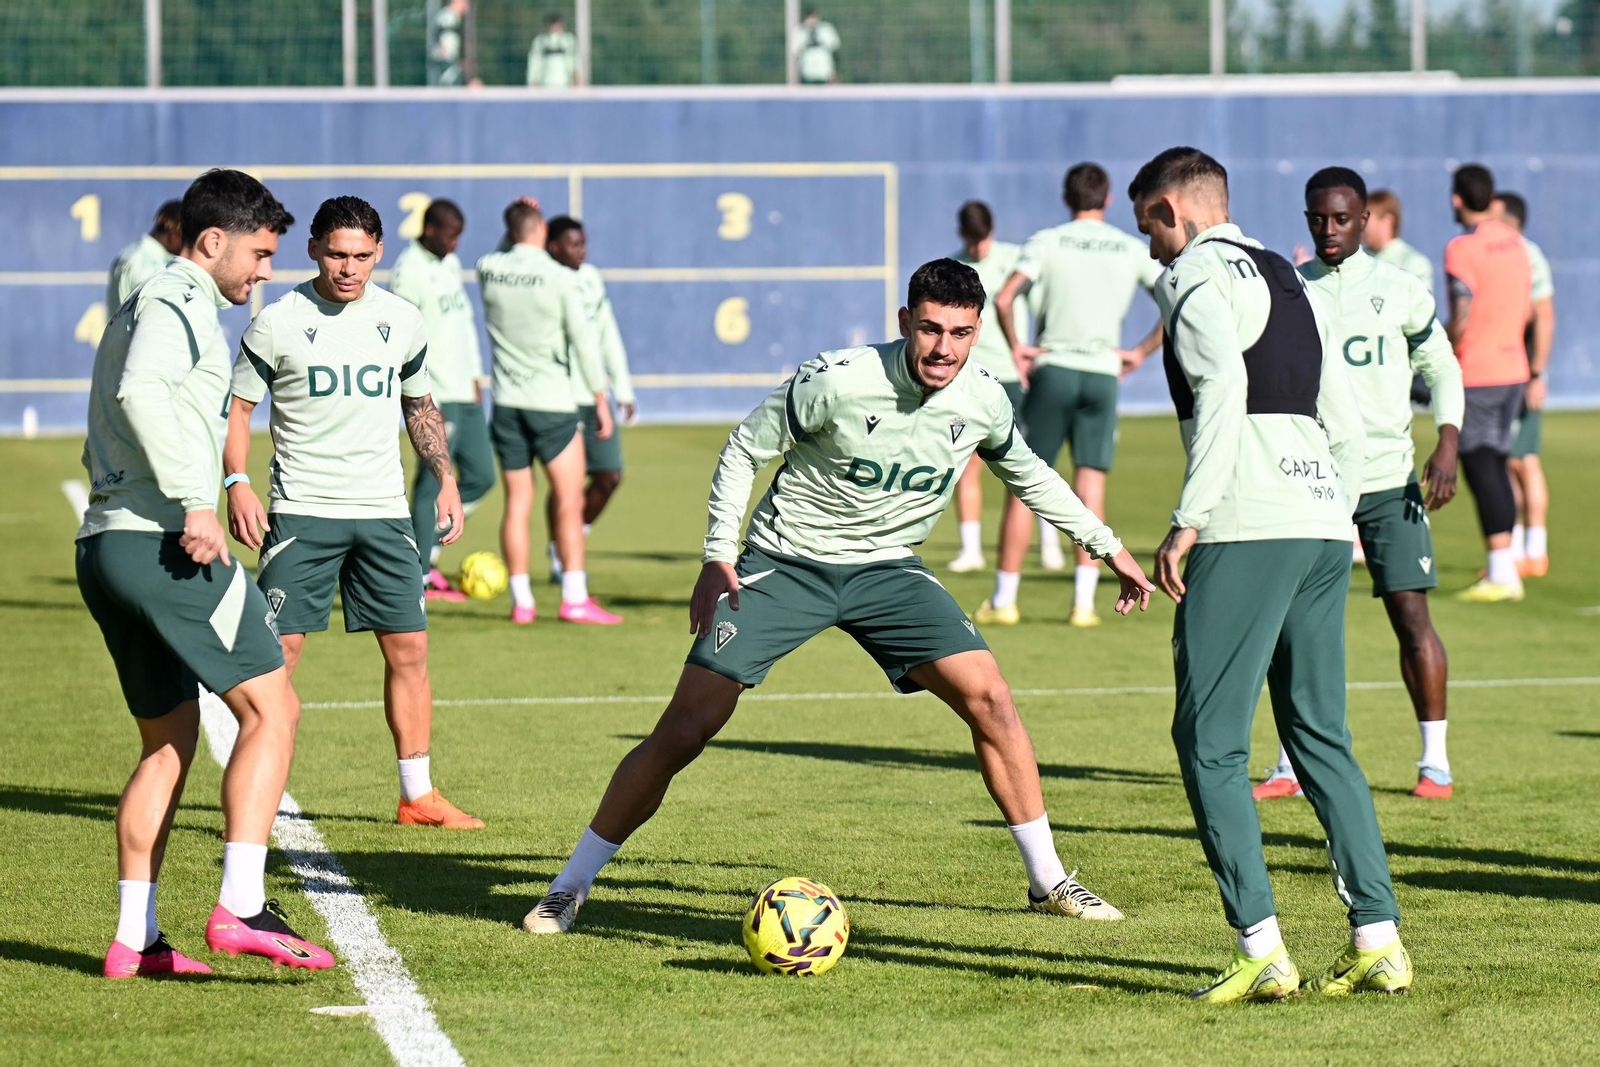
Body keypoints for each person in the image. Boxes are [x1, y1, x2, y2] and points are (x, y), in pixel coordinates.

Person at [521, 258, 1156, 937]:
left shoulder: (983, 397)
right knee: (684, 729)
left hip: (887, 570)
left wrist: (1107, 546)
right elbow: (744, 449)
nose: (945, 348)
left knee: (992, 698)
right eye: (932, 329)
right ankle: (570, 885)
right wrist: (717, 555)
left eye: (962, 333)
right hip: (785, 561)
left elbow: (1029, 473)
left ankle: (1049, 879)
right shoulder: (837, 380)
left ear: (977, 334)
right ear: (906, 321)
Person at [1132, 147, 1409, 1001]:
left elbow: (1219, 394)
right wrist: (1340, 508)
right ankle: (1379, 940)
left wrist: (1189, 520)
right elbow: (1340, 411)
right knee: (1322, 737)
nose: (1150, 248)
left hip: (1246, 526)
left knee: (1209, 742)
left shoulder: (1195, 279)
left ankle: (1261, 946)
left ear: (1177, 211)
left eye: (1151, 226)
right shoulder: (1289, 277)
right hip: (1322, 520)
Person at [77, 168, 334, 977]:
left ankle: (135, 939)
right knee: (273, 706)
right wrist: (196, 503)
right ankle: (243, 905)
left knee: (168, 743)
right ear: (212, 241)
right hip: (163, 541)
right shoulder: (179, 298)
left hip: (109, 545)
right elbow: (142, 392)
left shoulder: (153, 298)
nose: (264, 271)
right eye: (258, 254)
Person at [224, 195, 484, 832]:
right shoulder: (276, 321)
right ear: (313, 249)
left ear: (379, 254)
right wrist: (236, 481)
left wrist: (445, 479)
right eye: (337, 254)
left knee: (411, 651)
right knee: (277, 655)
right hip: (302, 513)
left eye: (362, 256)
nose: (348, 268)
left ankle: (417, 796)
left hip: (384, 514)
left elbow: (419, 407)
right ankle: (260, 789)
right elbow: (237, 411)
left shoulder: (402, 319)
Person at [1252, 167, 1464, 804]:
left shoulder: (1401, 289)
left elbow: (1443, 364)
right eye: (1317, 218)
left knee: (1411, 617)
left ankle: (1435, 762)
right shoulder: (1291, 290)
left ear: (1365, 220)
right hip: (1312, 481)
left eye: (1341, 218)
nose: (1328, 229)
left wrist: (1447, 439)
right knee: (1298, 624)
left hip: (1388, 478)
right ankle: (1291, 763)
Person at [975, 163, 1163, 629]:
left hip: (1054, 368)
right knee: (1091, 485)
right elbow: (1174, 297)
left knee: (1025, 483)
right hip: (1101, 373)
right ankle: (1082, 604)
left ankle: (1005, 599)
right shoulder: (1128, 247)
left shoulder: (1047, 241)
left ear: (1066, 197)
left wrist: (1018, 348)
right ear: (1110, 198)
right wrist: (1138, 352)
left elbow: (1003, 298)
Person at [477, 199, 619, 624]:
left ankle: (522, 602)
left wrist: (516, 222)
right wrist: (599, 398)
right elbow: (583, 341)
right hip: (553, 405)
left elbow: (508, 245)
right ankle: (574, 596)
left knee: (518, 501)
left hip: (506, 404)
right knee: (568, 501)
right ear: (541, 230)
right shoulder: (559, 277)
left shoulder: (489, 267)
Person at [390, 198, 496, 600]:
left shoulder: (449, 264)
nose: (455, 244)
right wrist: (414, 390)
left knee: (483, 475)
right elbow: (402, 336)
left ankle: (427, 546)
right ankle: (416, 575)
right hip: (432, 394)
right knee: (429, 485)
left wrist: (473, 377)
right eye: (451, 235)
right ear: (430, 229)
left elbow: (463, 328)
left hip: (463, 391)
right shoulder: (409, 271)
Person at [1444, 164, 1532, 602]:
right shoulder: (1517, 243)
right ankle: (1508, 560)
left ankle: (1502, 572)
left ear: (1457, 199)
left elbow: (1461, 315)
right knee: (1496, 464)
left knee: (1483, 468)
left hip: (1478, 372)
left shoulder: (1462, 248)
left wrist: (1436, 350)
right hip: (1514, 368)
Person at [544, 215, 636, 581]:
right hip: (560, 397)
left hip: (595, 394)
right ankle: (559, 555)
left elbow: (607, 334)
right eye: (573, 244)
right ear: (553, 247)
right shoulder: (544, 279)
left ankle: (571, 539)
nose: (581, 250)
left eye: (583, 243)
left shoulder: (590, 277)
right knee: (564, 482)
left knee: (610, 476)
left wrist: (623, 389)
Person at [947, 200, 1028, 573]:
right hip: (972, 375)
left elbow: (1036, 305)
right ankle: (971, 549)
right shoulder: (954, 268)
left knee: (1027, 463)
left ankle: (1050, 544)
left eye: (984, 240)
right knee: (968, 463)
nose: (979, 248)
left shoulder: (1015, 259)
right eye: (972, 241)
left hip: (1013, 376)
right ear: (963, 236)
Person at [1491, 191, 1556, 579]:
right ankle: (1515, 550)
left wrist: (1536, 374)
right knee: (1506, 463)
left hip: (1520, 373)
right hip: (1504, 373)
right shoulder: (1502, 254)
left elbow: (1544, 315)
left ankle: (1536, 549)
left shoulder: (1525, 254)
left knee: (1524, 461)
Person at [105, 199, 182, 311]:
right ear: (175, 233)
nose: (189, 246)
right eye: (188, 238)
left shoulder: (127, 254)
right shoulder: (153, 268)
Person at [1364, 189, 1435, 292]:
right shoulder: (1354, 261)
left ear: (1387, 221)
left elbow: (1421, 306)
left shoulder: (1414, 264)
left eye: (1366, 220)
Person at [527, 13, 579, 88]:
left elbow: (575, 60)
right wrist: (532, 81)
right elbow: (534, 62)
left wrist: (577, 78)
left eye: (558, 26)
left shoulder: (569, 40)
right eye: (554, 26)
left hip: (565, 84)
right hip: (545, 84)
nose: (556, 28)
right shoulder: (540, 41)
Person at [791, 7, 841, 84]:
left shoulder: (827, 29)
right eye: (809, 17)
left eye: (813, 17)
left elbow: (835, 51)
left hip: (825, 74)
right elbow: (795, 54)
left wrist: (836, 73)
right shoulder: (799, 32)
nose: (812, 20)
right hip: (806, 74)